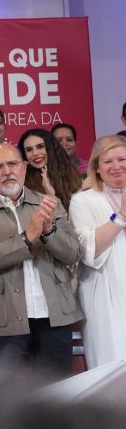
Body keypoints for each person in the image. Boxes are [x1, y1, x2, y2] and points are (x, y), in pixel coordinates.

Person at [0, 144, 81, 375]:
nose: (7, 171)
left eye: (12, 164)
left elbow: (72, 254)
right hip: (4, 318)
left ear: (24, 167)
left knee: (58, 394)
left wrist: (49, 233)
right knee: (11, 400)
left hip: (54, 314)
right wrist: (28, 236)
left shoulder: (49, 203)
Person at [68, 135, 126, 368]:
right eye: (108, 161)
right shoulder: (83, 201)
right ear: (96, 168)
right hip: (104, 293)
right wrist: (120, 215)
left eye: (122, 159)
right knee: (111, 363)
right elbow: (89, 251)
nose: (116, 166)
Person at [18, 128, 82, 213]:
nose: (35, 153)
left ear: (51, 148)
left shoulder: (70, 173)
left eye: (40, 147)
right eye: (29, 150)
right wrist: (50, 195)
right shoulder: (22, 183)